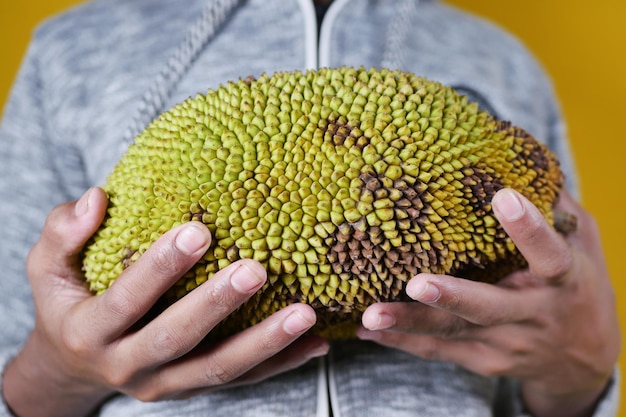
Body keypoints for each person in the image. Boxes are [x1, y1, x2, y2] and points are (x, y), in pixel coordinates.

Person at [0, 0, 620, 416]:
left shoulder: (501, 60)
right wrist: (67, 369)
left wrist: (582, 369)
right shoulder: (73, 50)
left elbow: (544, 348)